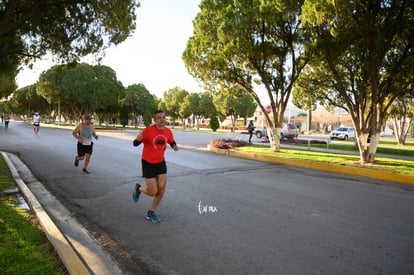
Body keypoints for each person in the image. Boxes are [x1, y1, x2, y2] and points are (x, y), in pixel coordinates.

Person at [132, 110, 179, 223]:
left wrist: (174, 146)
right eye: (159, 117)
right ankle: (139, 189)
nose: (162, 119)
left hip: (160, 162)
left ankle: (151, 212)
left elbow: (171, 141)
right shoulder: (148, 131)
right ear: (155, 120)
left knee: (161, 189)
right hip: (148, 163)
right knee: (153, 192)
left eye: (163, 117)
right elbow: (135, 143)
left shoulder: (168, 131)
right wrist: (137, 139)